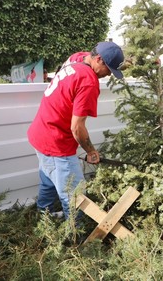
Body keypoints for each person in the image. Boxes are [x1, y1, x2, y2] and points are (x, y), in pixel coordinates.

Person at [27, 41, 124, 219]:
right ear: (99, 60)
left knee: (49, 180)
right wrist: (91, 151)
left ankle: (44, 219)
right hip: (56, 143)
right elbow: (77, 127)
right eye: (109, 69)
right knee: (75, 195)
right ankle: (75, 237)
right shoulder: (88, 82)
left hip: (39, 132)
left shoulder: (78, 58)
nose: (109, 74)